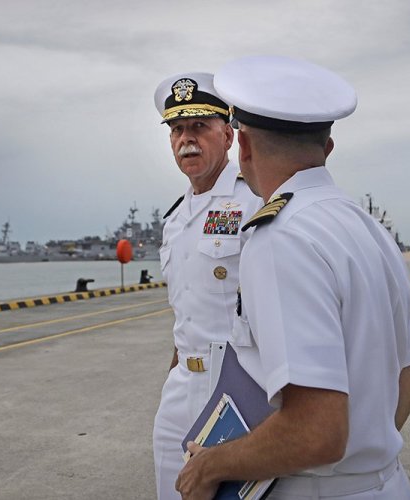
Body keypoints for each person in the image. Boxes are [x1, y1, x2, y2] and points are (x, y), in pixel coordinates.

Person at [175, 56, 410, 500]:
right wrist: (365, 460)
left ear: (244, 147)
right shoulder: (368, 229)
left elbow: (317, 432)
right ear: (326, 149)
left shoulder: (280, 239)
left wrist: (211, 466)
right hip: (386, 484)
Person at [152, 72, 263, 500]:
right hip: (181, 386)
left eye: (199, 126)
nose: (187, 139)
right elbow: (187, 308)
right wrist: (176, 367)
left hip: (238, 385)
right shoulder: (176, 219)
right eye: (177, 129)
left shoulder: (253, 200)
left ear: (228, 135)